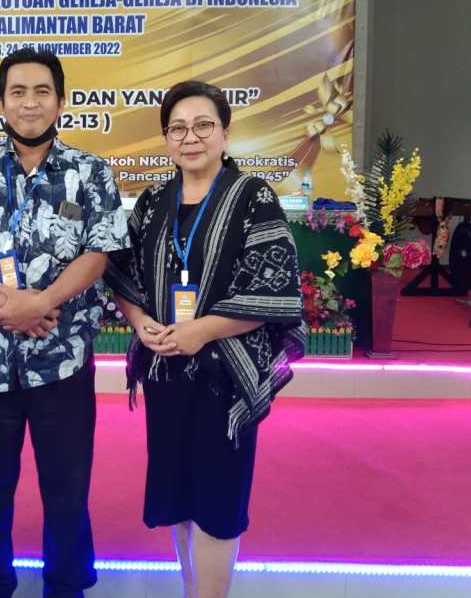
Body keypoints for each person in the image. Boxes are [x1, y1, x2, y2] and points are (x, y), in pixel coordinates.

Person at [0, 47, 129, 598]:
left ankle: (66, 584)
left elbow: (99, 252)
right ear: (1, 102)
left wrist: (43, 302)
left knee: (67, 489)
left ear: (61, 101)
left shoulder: (90, 172)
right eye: (17, 92)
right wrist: (5, 302)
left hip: (63, 361)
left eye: (42, 91)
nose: (30, 102)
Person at [105, 81, 304, 598]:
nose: (189, 138)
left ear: (225, 132)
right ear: (166, 138)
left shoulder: (253, 196)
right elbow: (121, 273)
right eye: (177, 128)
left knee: (217, 501)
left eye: (202, 126)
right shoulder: (153, 202)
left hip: (225, 377)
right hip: (166, 372)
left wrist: (202, 331)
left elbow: (273, 288)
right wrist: (138, 321)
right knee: (178, 495)